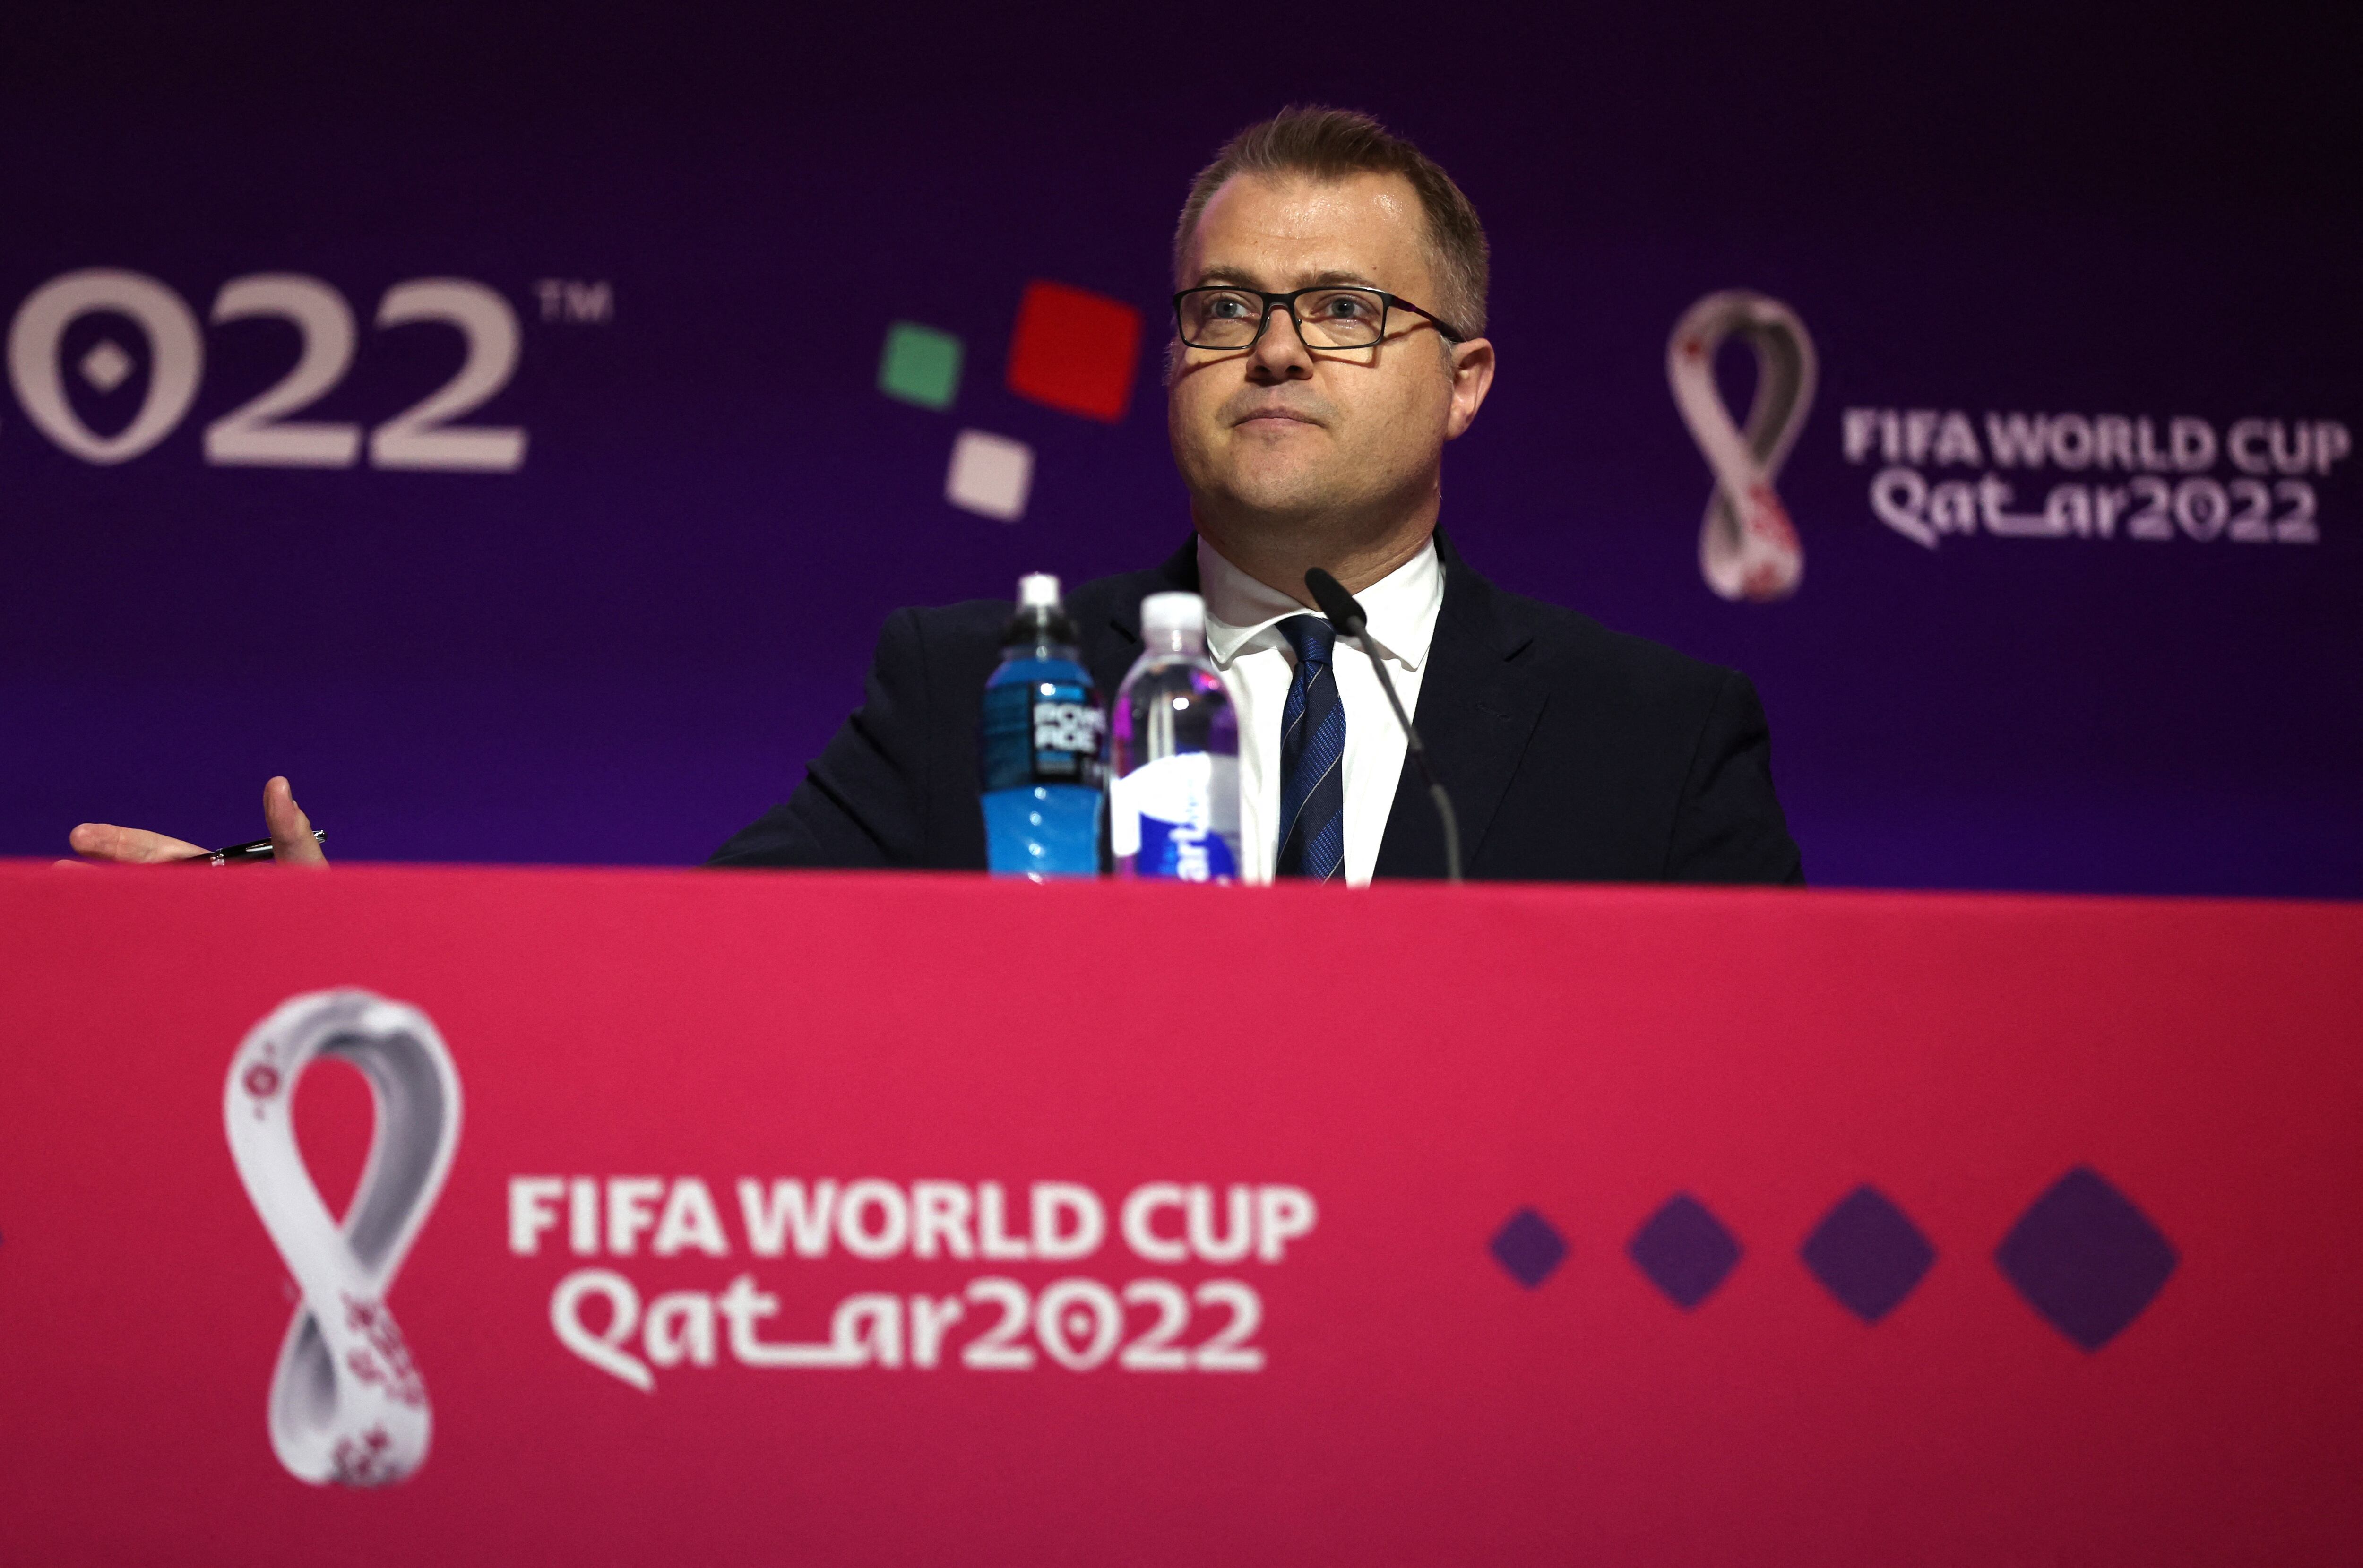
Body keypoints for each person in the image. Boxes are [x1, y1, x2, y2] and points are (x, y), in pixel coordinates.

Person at [64, 107, 1801, 886]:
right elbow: (677, 987)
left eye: (1344, 309)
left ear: (1467, 380)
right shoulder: (974, 683)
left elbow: (1767, 1102)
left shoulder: (1655, 736)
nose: (1274, 348)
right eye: (1223, 309)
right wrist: (339, 949)